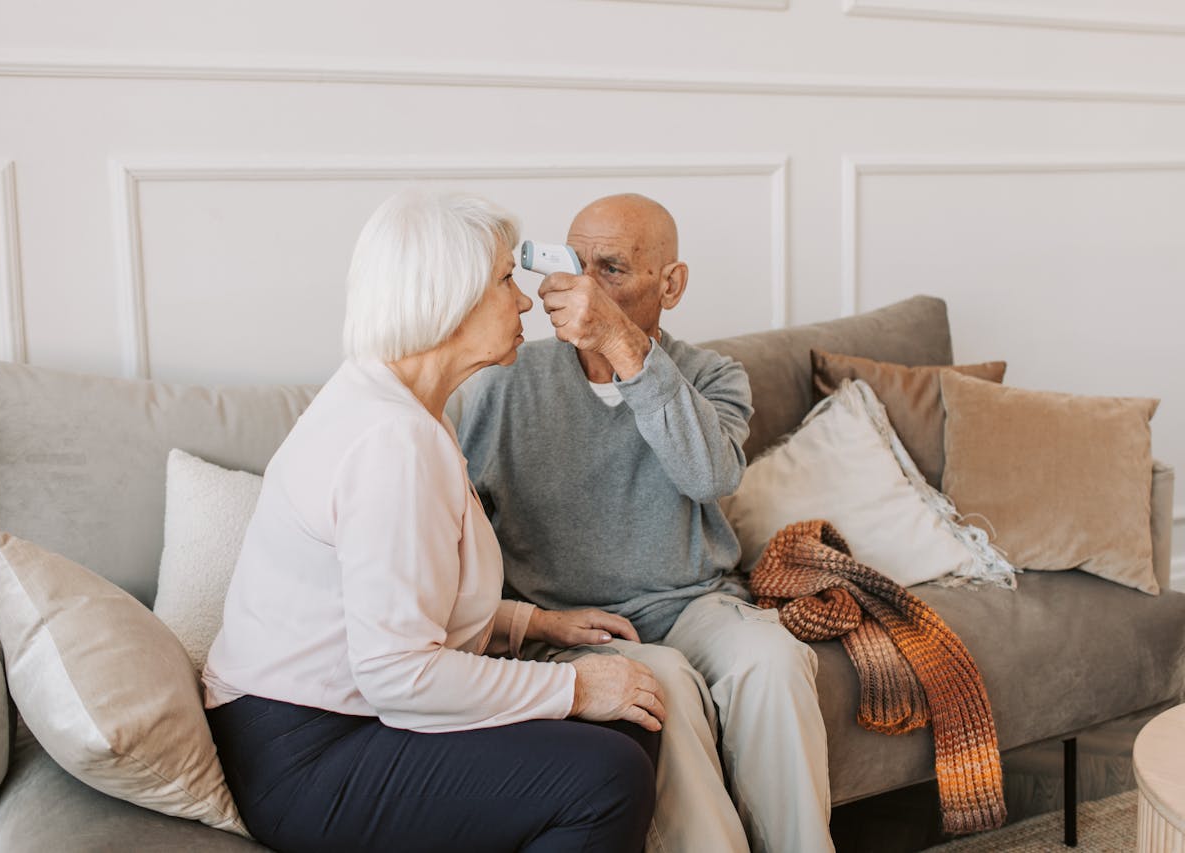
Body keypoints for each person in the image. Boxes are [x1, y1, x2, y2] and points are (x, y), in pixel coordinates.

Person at [201, 191, 668, 853]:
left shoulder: (401, 405)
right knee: (608, 774)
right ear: (448, 298)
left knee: (629, 723)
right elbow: (397, 674)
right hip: (309, 754)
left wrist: (530, 623)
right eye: (507, 280)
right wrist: (574, 683)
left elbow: (400, 597)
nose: (527, 301)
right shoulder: (391, 441)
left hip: (335, 719)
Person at [454, 193, 835, 853]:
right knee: (663, 685)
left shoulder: (713, 376)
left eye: (612, 270)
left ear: (671, 284)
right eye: (576, 266)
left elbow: (710, 475)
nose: (587, 289)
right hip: (575, 618)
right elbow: (456, 529)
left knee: (774, 660)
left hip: (695, 601)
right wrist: (524, 624)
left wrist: (623, 347)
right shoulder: (505, 381)